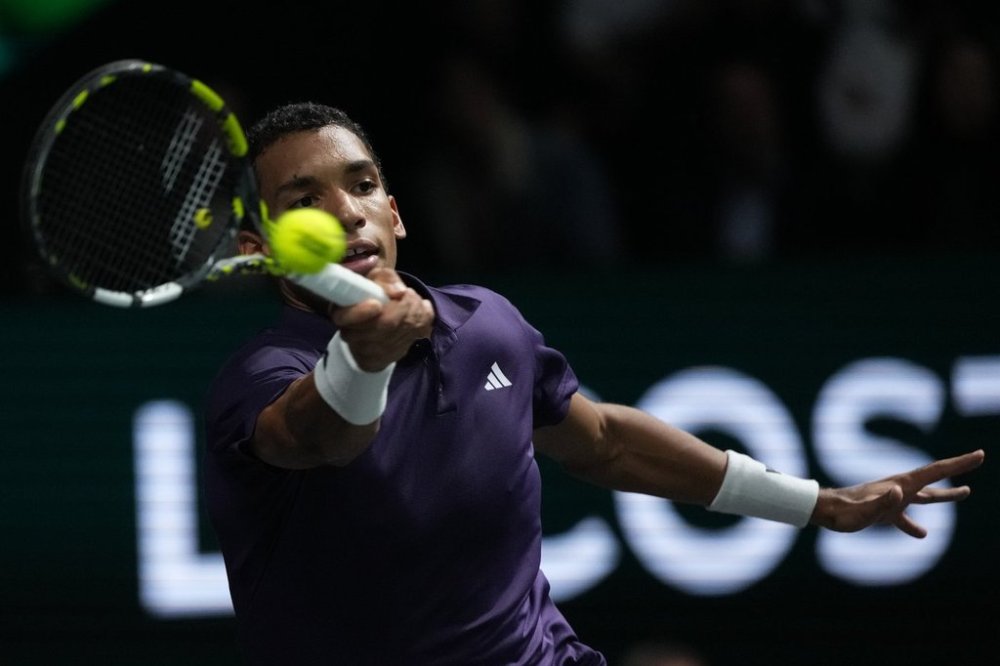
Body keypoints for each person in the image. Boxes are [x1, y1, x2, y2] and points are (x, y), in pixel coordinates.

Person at [203, 101, 985, 665]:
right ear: (260, 247)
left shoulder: (486, 326)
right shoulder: (263, 379)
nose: (344, 212)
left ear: (396, 213)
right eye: (303, 203)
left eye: (362, 183)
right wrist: (363, 356)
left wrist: (817, 503)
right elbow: (323, 438)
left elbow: (604, 443)